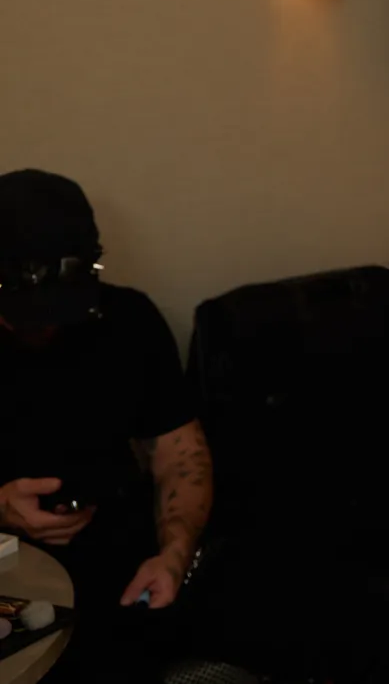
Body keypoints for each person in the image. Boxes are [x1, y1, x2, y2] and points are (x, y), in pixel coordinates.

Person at [0, 169, 214, 683]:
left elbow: (182, 457)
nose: (44, 327)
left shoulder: (128, 319)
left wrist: (174, 555)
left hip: (120, 556)